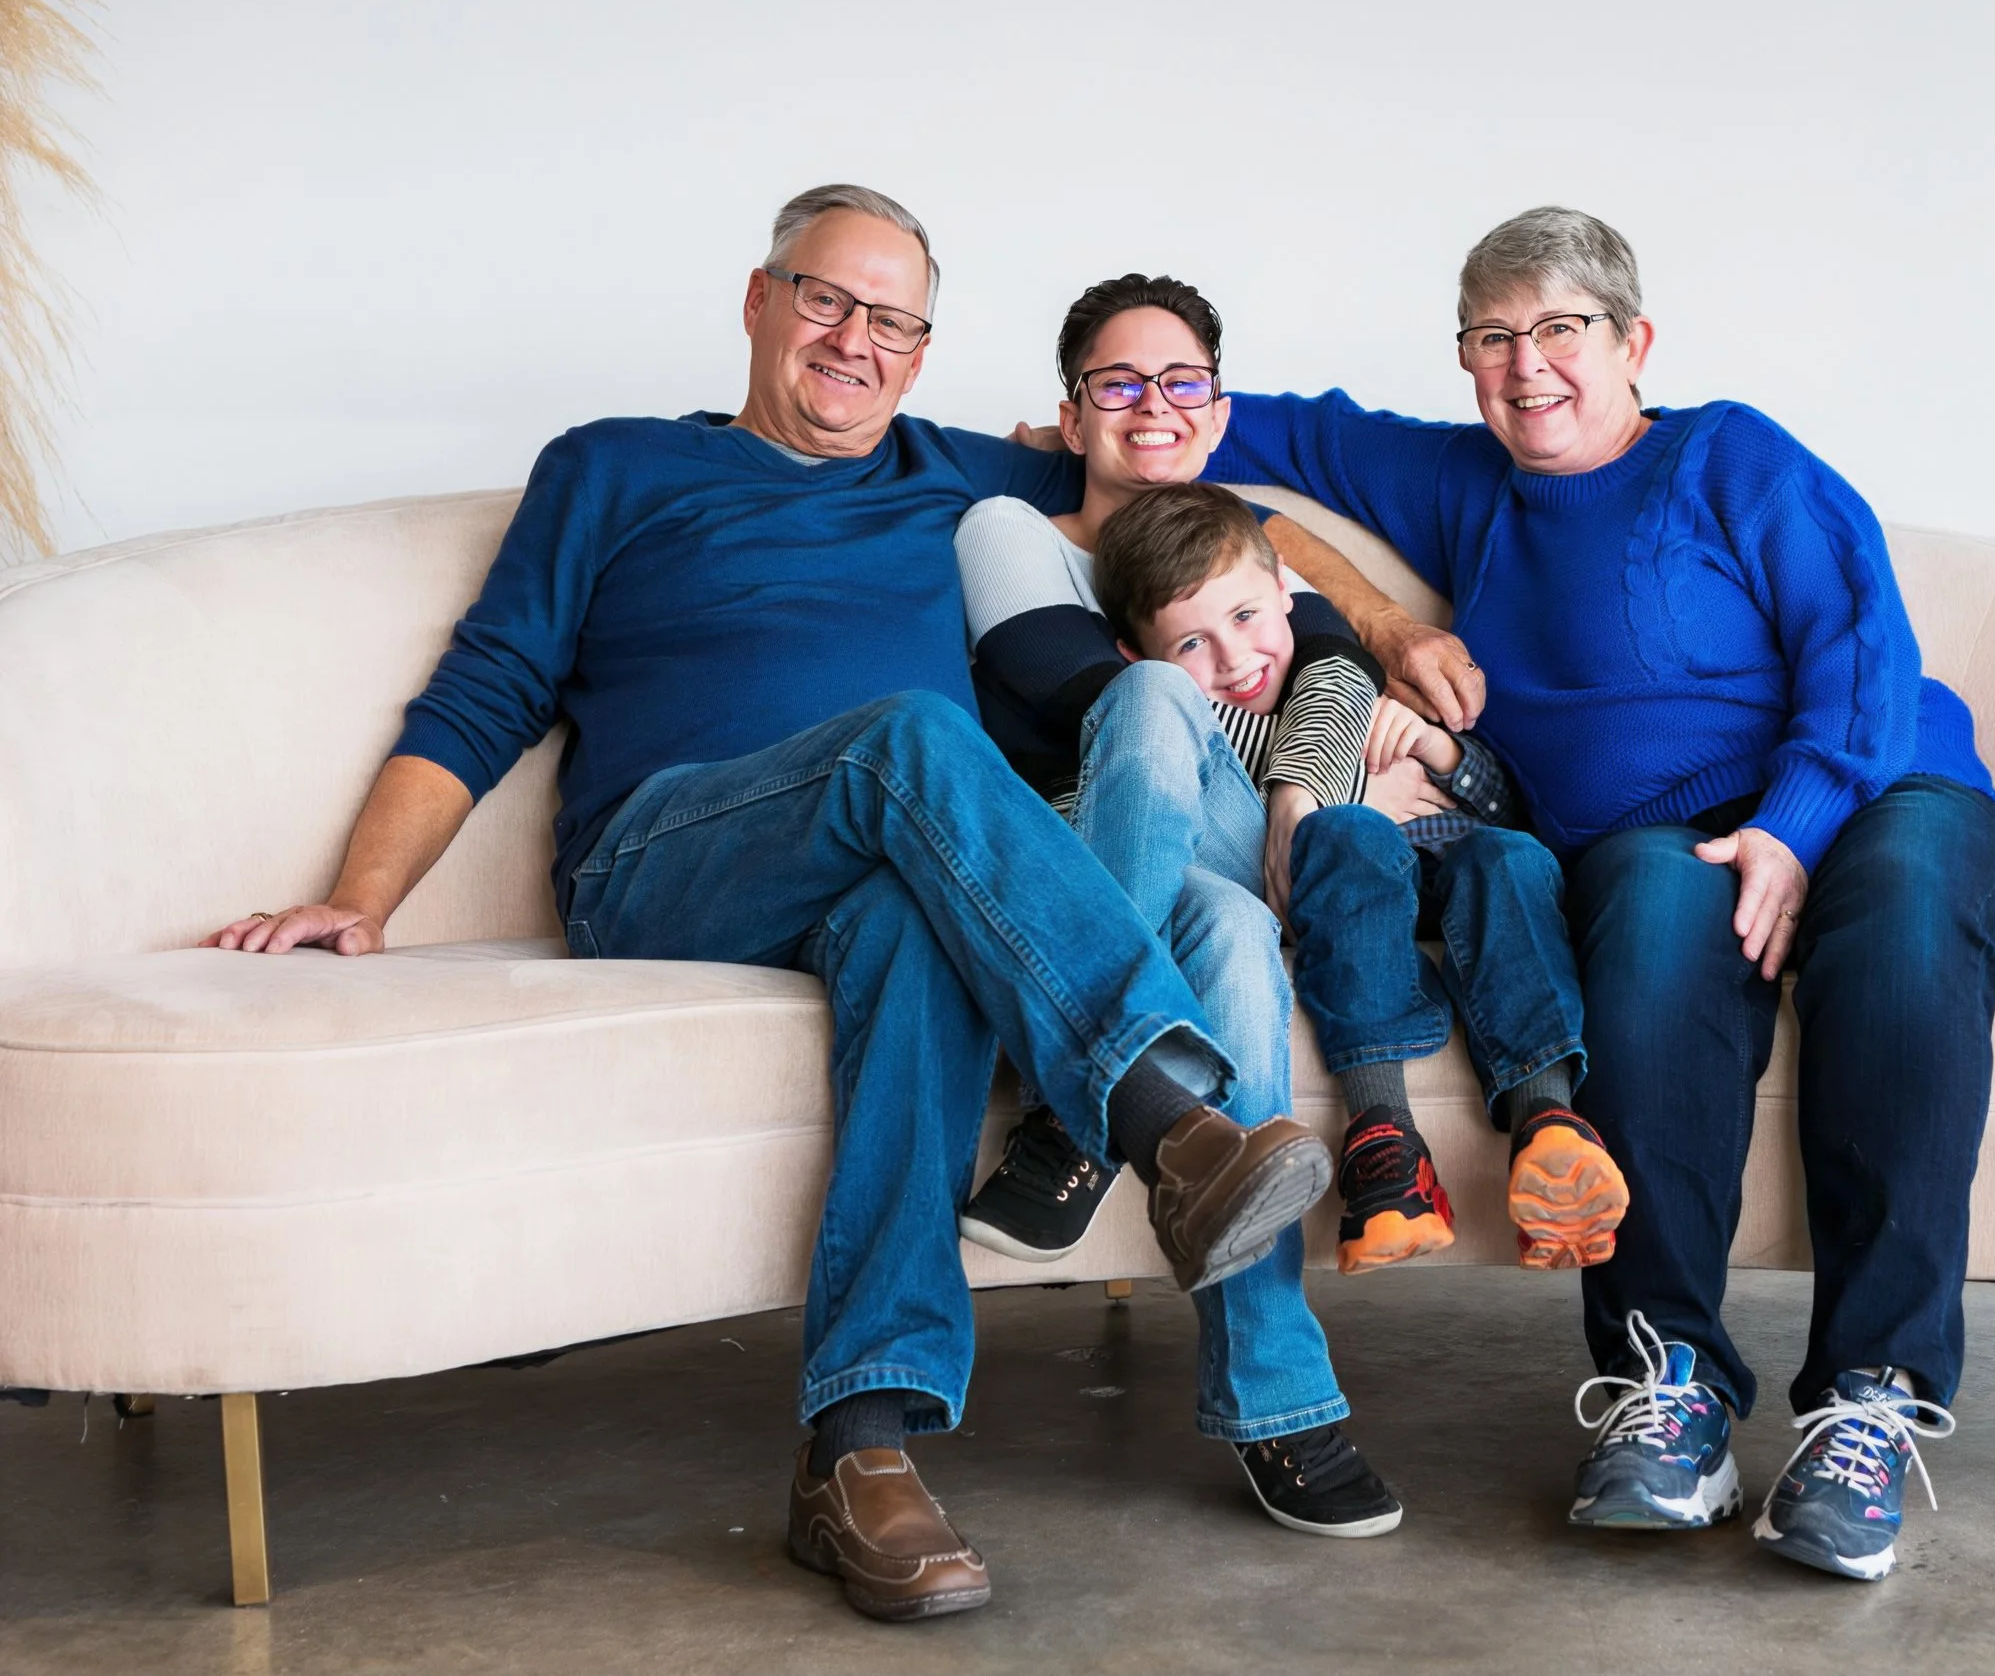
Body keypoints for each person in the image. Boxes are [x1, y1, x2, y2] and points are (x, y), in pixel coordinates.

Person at [198, 187, 1446, 1620]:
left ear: (923, 352)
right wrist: (360, 898)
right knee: (913, 734)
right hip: (670, 857)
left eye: (895, 321)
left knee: (944, 929)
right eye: (825, 301)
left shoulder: (953, 474)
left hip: (876, 871)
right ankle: (1166, 1114)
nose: (856, 341)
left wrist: (1396, 632)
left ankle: (859, 1451)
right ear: (758, 299)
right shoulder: (612, 467)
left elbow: (1220, 510)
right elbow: (487, 686)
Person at [1201, 206, 1995, 1583]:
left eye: (1561, 329)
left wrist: (1794, 824)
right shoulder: (1470, 484)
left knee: (1899, 927)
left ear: (1635, 342)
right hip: (1655, 841)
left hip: (1875, 792)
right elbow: (1274, 432)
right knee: (1639, 924)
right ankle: (1672, 1385)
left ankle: (1869, 1402)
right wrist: (1081, 425)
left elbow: (1863, 641)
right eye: (1493, 336)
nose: (1528, 365)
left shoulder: (1729, 455)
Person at [948, 274, 1404, 1536]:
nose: (1152, 405)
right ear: (1071, 412)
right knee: (1236, 922)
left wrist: (1302, 796)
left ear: (1216, 409)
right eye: (1118, 382)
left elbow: (1339, 673)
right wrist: (1303, 739)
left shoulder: (1240, 545)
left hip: (1227, 825)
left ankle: (1087, 1120)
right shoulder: (1011, 529)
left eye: (1181, 381)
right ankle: (1281, 1400)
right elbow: (1072, 682)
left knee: (1217, 813)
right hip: (1072, 840)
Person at [1091, 481, 1628, 1276]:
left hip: (1458, 875)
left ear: (1285, 596)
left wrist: (1437, 747)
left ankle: (1548, 1119)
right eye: (1192, 645)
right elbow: (1267, 840)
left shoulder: (1349, 684)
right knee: (1345, 835)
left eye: (1244, 618)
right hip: (1354, 894)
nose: (1235, 659)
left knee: (1510, 859)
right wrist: (1358, 794)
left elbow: (1506, 808)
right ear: (1142, 661)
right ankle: (1385, 1141)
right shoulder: (1199, 732)